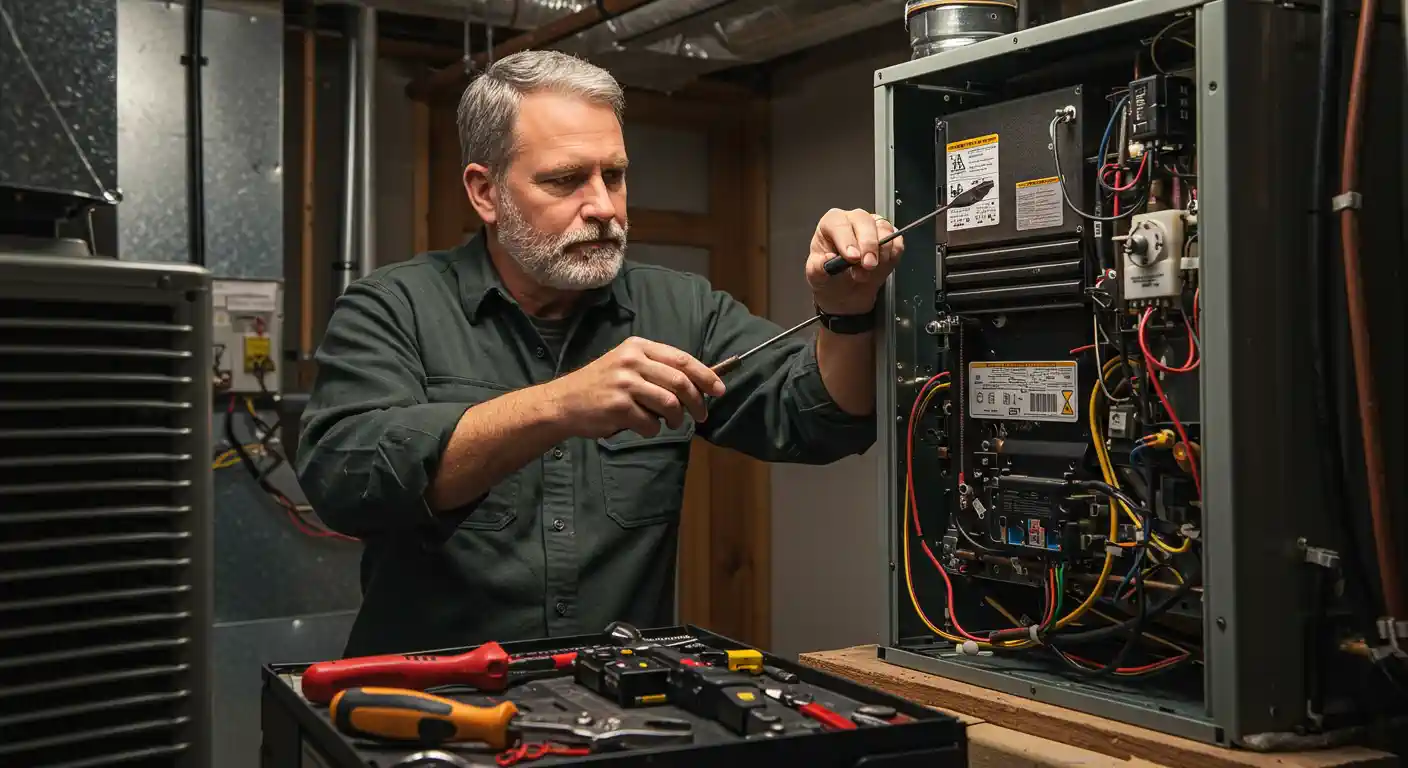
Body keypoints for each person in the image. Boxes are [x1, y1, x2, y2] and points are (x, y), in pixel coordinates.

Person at [296, 49, 904, 658]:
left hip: (620, 710)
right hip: (436, 706)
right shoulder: (392, 306)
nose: (605, 208)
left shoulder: (681, 307)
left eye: (613, 176)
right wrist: (560, 406)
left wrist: (847, 310)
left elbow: (822, 420)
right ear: (485, 192)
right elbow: (344, 479)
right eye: (565, 180)